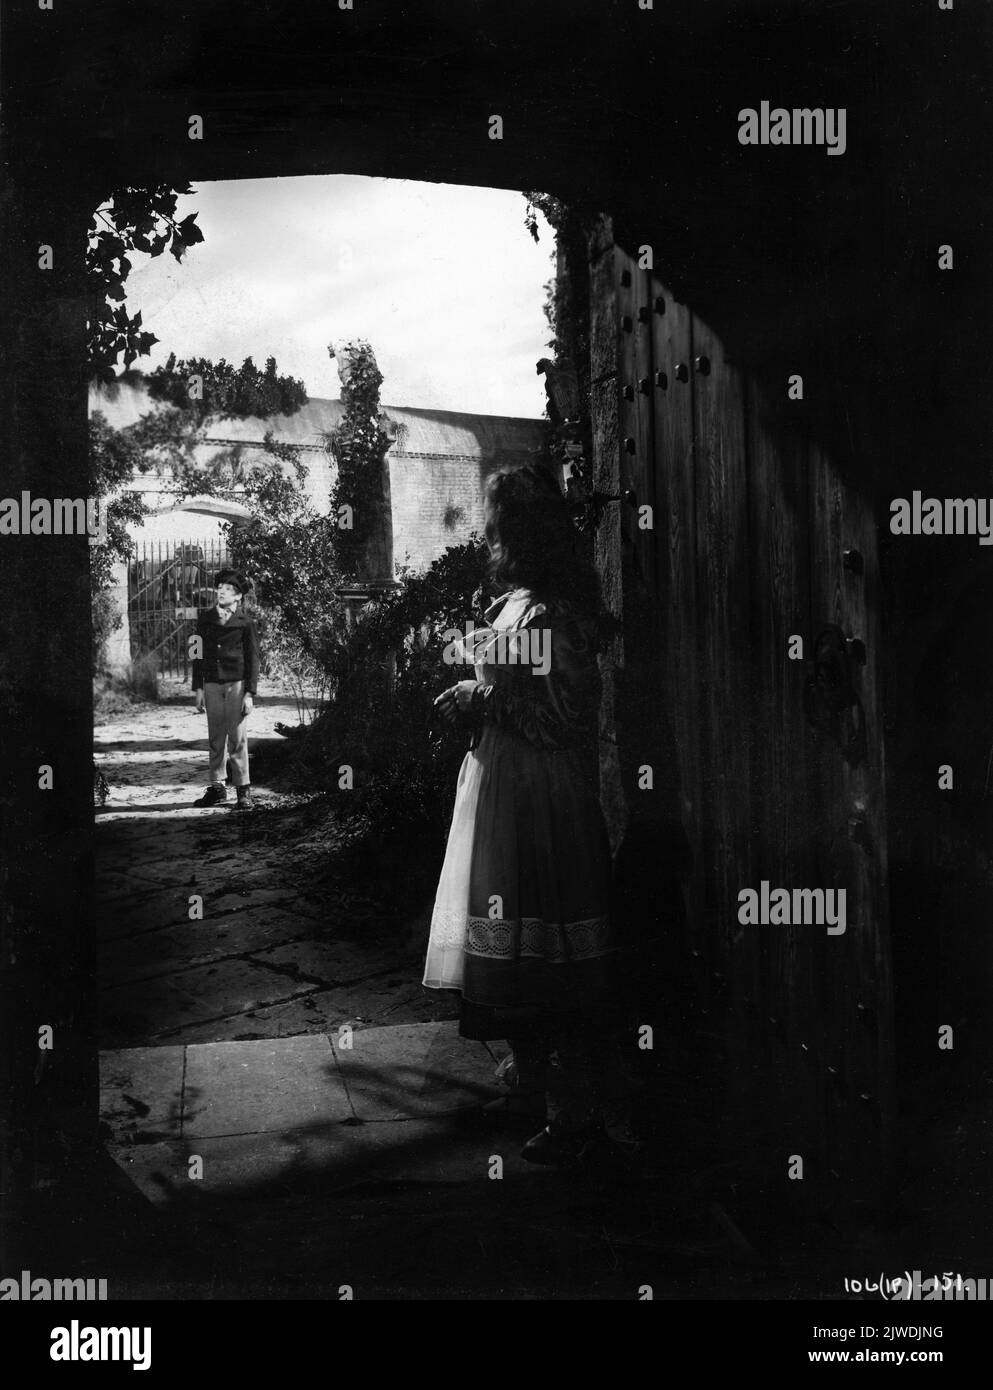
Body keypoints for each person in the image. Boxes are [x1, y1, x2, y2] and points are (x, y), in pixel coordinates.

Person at [424, 463, 631, 1165]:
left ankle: (574, 1113)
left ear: (521, 533)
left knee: (548, 951)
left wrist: (479, 700)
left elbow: (566, 717)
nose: (487, 535)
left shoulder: (553, 615)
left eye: (496, 524)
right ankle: (528, 1083)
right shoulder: (516, 604)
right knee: (506, 943)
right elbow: (510, 683)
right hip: (500, 789)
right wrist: (470, 688)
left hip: (540, 799)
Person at [191, 569, 260, 810]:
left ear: (238, 596)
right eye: (220, 587)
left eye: (229, 589)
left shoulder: (245, 623)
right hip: (211, 683)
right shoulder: (205, 619)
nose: (222, 591)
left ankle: (243, 790)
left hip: (237, 684)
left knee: (238, 737)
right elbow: (197, 653)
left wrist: (250, 693)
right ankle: (217, 788)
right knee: (215, 737)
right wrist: (197, 687)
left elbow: (253, 660)